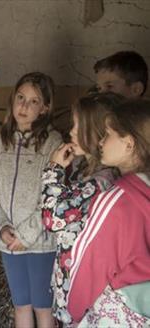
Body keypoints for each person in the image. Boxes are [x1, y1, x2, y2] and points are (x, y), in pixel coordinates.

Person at [0, 72, 62, 328]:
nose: (24, 106)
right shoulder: (0, 143)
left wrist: (26, 235)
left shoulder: (53, 143)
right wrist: (2, 227)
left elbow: (53, 195)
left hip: (40, 243)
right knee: (20, 305)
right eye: (20, 97)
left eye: (34, 101)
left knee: (43, 308)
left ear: (45, 108)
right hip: (8, 241)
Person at [40, 92, 123, 325]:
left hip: (86, 293)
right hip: (75, 283)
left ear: (98, 133)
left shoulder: (100, 182)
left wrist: (54, 170)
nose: (71, 132)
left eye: (78, 126)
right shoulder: (84, 171)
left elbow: (52, 218)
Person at [67, 99, 150, 326]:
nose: (101, 141)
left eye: (108, 134)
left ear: (129, 144)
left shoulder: (117, 199)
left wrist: (72, 313)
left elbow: (89, 267)